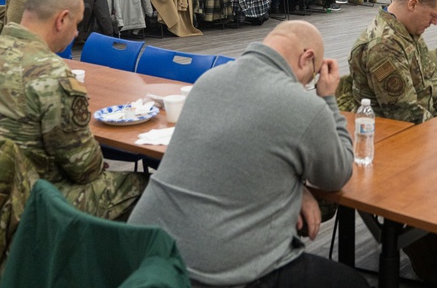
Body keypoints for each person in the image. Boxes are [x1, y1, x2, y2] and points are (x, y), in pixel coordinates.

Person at [128, 21, 366, 288]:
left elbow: (235, 155)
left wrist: (296, 190)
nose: (306, 85)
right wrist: (327, 98)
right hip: (215, 271)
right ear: (307, 58)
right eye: (309, 79)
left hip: (146, 251)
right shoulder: (304, 105)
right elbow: (337, 174)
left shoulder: (207, 81)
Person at [0, 0, 147, 220]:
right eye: (76, 24)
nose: (75, 33)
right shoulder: (53, 74)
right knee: (146, 185)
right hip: (27, 200)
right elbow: (84, 168)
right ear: (61, 19)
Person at [349, 0, 437, 123]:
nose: (434, 23)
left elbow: (433, 79)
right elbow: (406, 113)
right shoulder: (384, 46)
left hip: (424, 125)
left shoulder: (408, 30)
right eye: (433, 15)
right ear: (412, 4)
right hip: (395, 136)